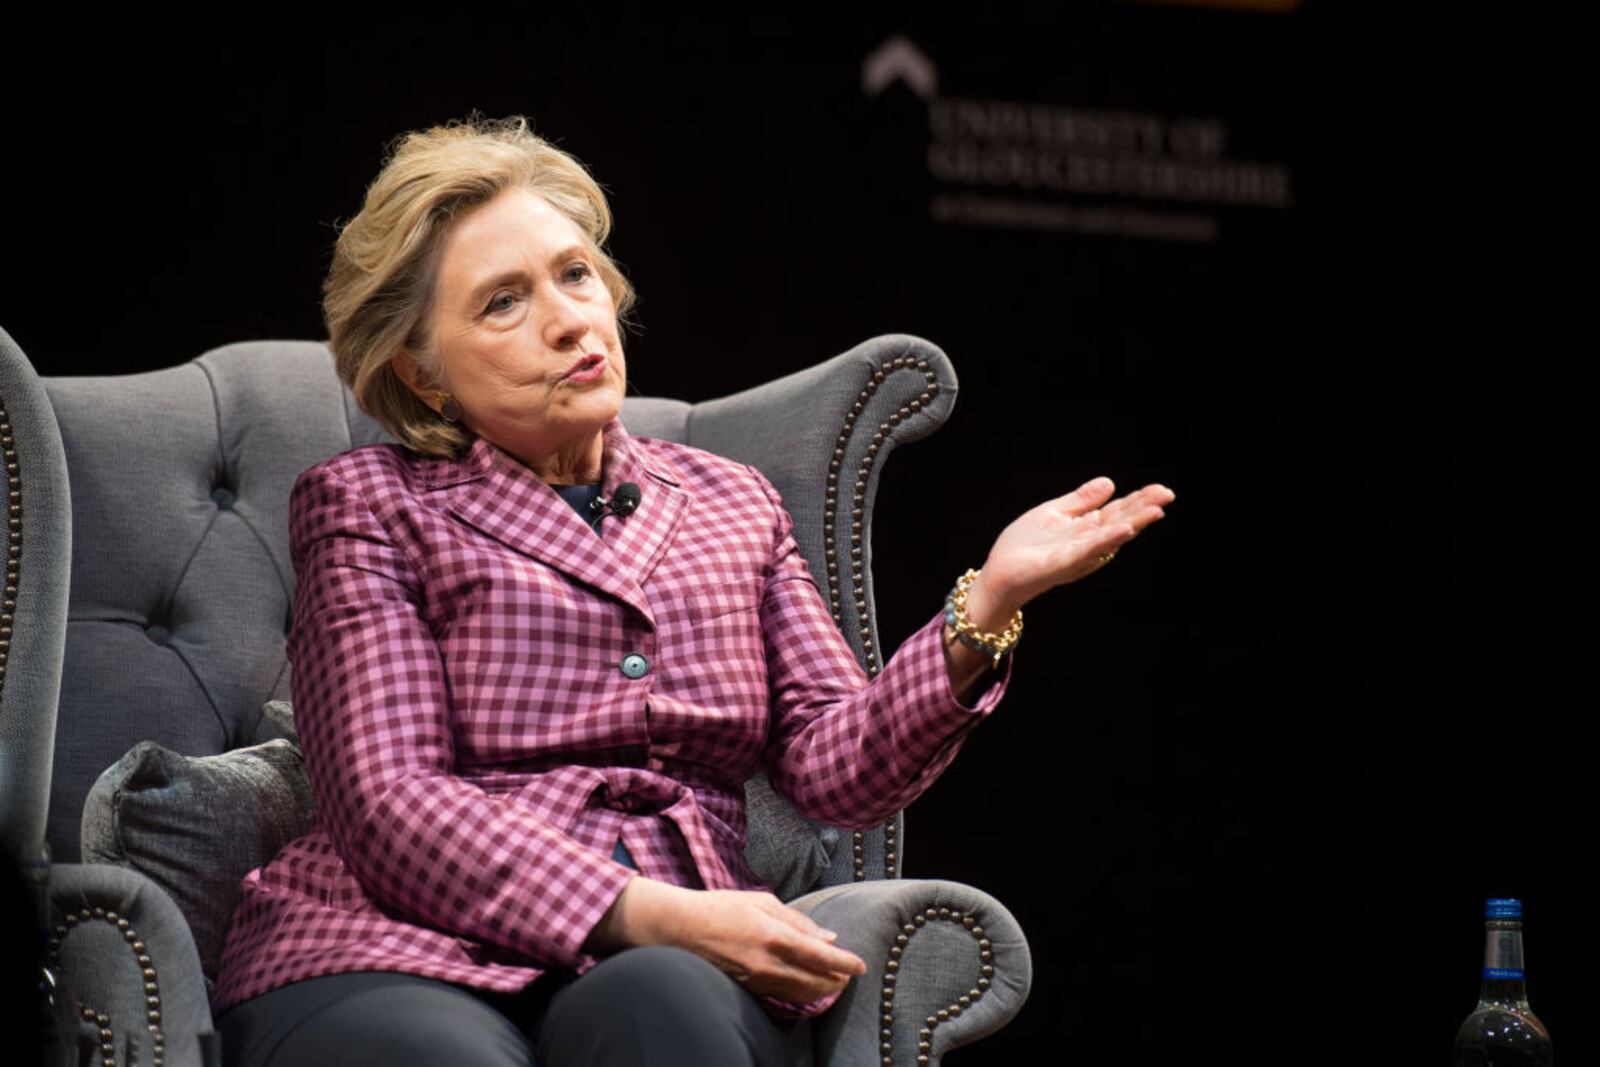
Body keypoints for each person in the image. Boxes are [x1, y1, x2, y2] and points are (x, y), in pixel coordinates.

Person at [211, 114, 1174, 1067]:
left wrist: (987, 607)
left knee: (664, 1003)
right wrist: (654, 913)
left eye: (576, 274)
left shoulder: (731, 502)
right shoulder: (368, 504)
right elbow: (391, 802)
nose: (567, 319)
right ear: (423, 377)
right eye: (503, 302)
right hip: (403, 943)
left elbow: (836, 770)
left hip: (670, 951)